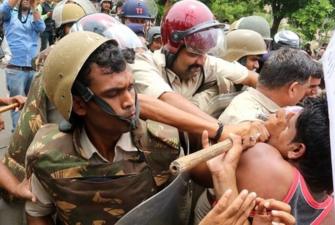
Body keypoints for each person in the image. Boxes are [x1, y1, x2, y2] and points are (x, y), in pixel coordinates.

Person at [24, 31, 269, 225]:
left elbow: (206, 175)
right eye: (113, 93)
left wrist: (227, 166)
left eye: (130, 87)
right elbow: (38, 213)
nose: (130, 101)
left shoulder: (165, 141)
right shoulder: (48, 155)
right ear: (78, 104)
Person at [131, 0, 259, 113]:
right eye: (193, 53)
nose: (202, 61)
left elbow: (252, 78)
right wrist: (223, 129)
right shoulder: (144, 64)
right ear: (172, 49)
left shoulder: (205, 61)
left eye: (204, 52)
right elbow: (169, 101)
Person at [236, 95, 335, 225]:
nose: (281, 122)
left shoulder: (262, 158)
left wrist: (266, 133)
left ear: (296, 150)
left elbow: (202, 170)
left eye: (287, 126)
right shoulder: (334, 214)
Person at [219, 47, 313, 125]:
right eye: (307, 88)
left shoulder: (247, 101)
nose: (306, 94)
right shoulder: (252, 126)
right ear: (293, 89)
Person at [0, 0, 45, 128]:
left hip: (32, 68)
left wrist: (34, 6)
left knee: (32, 104)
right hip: (15, 68)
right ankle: (17, 137)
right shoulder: (10, 15)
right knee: (17, 105)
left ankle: (30, 134)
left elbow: (41, 27)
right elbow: (3, 10)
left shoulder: (33, 15)